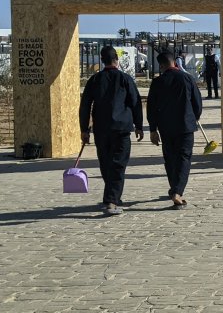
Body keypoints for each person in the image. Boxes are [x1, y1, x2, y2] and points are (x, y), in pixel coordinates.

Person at [79, 46, 144, 216]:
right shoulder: (126, 79)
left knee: (106, 163)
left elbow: (85, 106)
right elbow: (135, 103)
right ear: (117, 59)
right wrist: (139, 125)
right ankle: (111, 201)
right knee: (118, 164)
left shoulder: (94, 80)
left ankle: (112, 195)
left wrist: (84, 129)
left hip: (101, 129)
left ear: (102, 60)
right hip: (121, 129)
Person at [147, 50, 203, 209]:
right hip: (185, 126)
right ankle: (177, 192)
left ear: (162, 65)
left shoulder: (157, 82)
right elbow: (197, 103)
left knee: (170, 159)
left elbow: (151, 108)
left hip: (166, 128)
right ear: (175, 62)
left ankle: (174, 188)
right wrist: (194, 117)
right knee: (183, 159)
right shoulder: (187, 78)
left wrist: (153, 129)